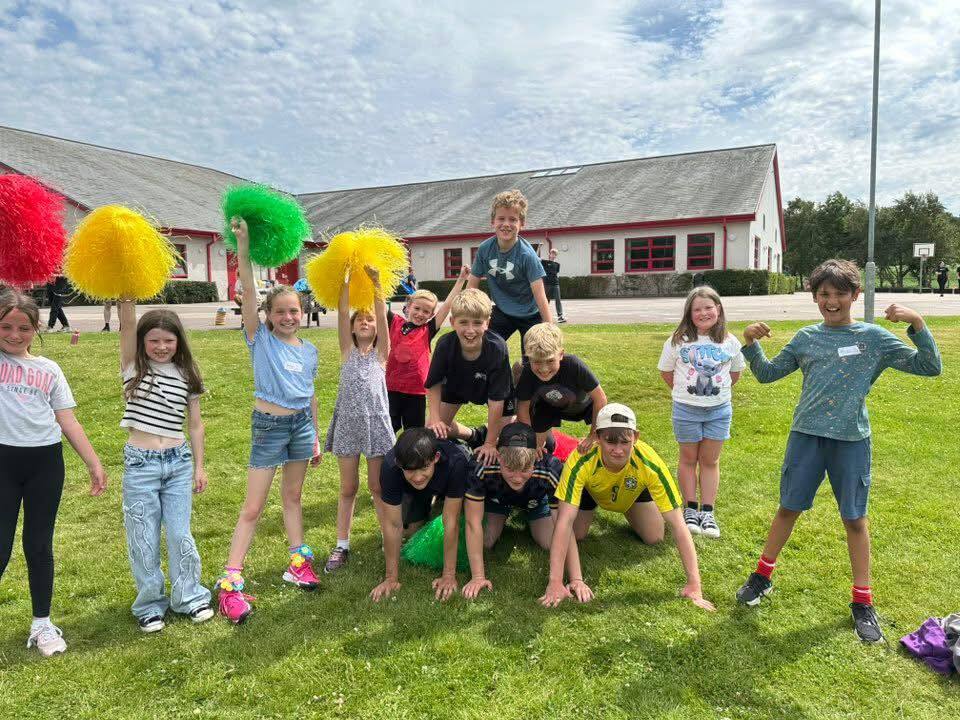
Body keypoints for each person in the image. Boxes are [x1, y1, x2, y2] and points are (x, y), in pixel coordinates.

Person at [735, 259, 941, 645]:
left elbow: (929, 367)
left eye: (839, 294)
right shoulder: (805, 338)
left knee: (855, 520)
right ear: (815, 297)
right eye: (824, 294)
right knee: (787, 509)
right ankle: (762, 577)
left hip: (851, 441)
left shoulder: (873, 338)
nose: (831, 301)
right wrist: (750, 342)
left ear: (855, 296)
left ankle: (862, 601)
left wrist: (917, 323)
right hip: (806, 438)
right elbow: (766, 374)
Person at [217, 218, 321, 624]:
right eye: (280, 312)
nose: (288, 317)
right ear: (268, 315)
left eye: (293, 311)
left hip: (300, 428)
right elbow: (246, 288)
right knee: (253, 507)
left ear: (302, 311)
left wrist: (313, 437)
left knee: (292, 499)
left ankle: (297, 564)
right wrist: (243, 248)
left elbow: (310, 393)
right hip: (269, 427)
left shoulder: (310, 350)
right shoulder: (258, 338)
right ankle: (230, 583)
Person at [0, 286, 107, 656]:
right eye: (6, 327)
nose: (14, 335)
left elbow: (68, 420)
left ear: (36, 328)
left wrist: (93, 462)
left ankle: (42, 625)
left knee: (39, 544)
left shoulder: (49, 369)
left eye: (24, 328)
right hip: (3, 464)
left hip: (45, 464)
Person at [540, 403, 714, 611]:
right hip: (591, 489)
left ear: (636, 438)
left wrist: (694, 585)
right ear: (597, 437)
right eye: (610, 442)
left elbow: (678, 524)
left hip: (632, 492)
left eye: (625, 442)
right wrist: (556, 583)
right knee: (575, 534)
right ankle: (592, 506)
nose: (618, 449)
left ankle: (627, 508)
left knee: (655, 536)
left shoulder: (650, 463)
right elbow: (564, 522)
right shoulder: (581, 459)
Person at [115, 300, 213, 632]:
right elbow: (126, 325)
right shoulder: (133, 367)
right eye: (153, 340)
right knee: (142, 536)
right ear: (142, 342)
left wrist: (200, 466)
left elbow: (196, 425)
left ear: (178, 342)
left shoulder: (188, 373)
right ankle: (149, 603)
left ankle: (189, 596)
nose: (161, 347)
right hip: (140, 464)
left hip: (178, 463)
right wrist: (125, 297)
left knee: (179, 532)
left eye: (168, 341)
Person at [322, 267, 394, 574]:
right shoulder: (346, 351)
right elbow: (341, 313)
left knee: (377, 487)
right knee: (348, 487)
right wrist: (346, 283)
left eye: (370, 320)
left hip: (376, 425)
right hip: (349, 425)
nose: (365, 322)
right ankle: (342, 544)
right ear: (352, 328)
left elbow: (382, 314)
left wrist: (377, 285)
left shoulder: (381, 354)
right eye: (359, 320)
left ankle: (386, 537)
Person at [657, 287, 744, 539]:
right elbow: (666, 372)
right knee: (687, 458)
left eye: (709, 307)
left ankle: (708, 511)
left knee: (710, 460)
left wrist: (716, 392)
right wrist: (685, 392)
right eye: (697, 309)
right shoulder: (678, 341)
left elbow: (735, 373)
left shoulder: (729, 341)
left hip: (719, 410)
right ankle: (690, 508)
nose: (704, 313)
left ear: (718, 309)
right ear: (689, 313)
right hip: (686, 409)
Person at [462, 422, 585, 599]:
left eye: (525, 469)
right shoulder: (482, 466)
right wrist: (478, 577)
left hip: (536, 501)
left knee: (551, 543)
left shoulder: (551, 468)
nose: (518, 478)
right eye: (510, 469)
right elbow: (472, 523)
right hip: (498, 500)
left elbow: (564, 525)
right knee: (485, 541)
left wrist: (576, 579)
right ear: (499, 457)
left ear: (536, 458)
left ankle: (530, 517)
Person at [369, 428, 469, 602]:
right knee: (410, 533)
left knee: (457, 518)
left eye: (423, 468)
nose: (417, 477)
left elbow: (450, 522)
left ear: (436, 458)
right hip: (414, 491)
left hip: (451, 479)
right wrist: (390, 578)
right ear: (400, 465)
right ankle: (427, 502)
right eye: (410, 470)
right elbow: (393, 525)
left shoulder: (455, 462)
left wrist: (448, 575)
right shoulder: (390, 467)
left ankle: (438, 501)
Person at [424, 289, 516, 466]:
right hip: (458, 385)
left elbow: (496, 402)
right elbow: (433, 384)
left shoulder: (497, 348)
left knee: (506, 440)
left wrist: (490, 444)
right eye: (463, 322)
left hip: (493, 391)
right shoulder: (445, 345)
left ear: (487, 323)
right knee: (431, 430)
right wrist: (435, 419)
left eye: (477, 323)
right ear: (452, 322)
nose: (470, 330)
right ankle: (473, 435)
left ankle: (489, 437)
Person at [386, 266, 469, 433]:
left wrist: (461, 280)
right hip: (391, 389)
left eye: (426, 311)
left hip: (416, 393)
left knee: (414, 432)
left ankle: (410, 459)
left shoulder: (427, 330)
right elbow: (378, 303)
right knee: (387, 431)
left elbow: (447, 306)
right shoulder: (393, 322)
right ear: (408, 306)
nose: (420, 314)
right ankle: (389, 459)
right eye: (417, 308)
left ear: (431, 315)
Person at [468, 189, 552, 349]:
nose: (506, 224)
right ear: (492, 221)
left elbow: (540, 295)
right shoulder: (485, 249)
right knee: (486, 347)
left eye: (513, 219)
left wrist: (550, 328)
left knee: (533, 356)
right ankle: (494, 374)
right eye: (501, 218)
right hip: (502, 310)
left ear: (522, 224)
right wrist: (467, 316)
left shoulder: (527, 255)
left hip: (530, 313)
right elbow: (471, 287)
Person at [515, 322, 606, 455]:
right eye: (537, 361)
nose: (544, 369)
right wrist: (531, 441)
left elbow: (600, 398)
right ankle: (548, 443)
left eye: (550, 360)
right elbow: (523, 407)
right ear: (528, 357)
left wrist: (593, 435)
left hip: (583, 406)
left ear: (561, 354)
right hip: (549, 408)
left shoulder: (574, 365)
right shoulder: (527, 372)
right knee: (531, 450)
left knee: (610, 418)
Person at [540, 247, 566, 323]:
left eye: (555, 254)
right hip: (547, 284)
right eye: (552, 253)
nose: (553, 255)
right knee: (545, 300)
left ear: (556, 255)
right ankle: (543, 317)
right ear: (550, 254)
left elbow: (555, 273)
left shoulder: (557, 264)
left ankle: (560, 316)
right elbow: (536, 259)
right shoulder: (544, 262)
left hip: (555, 284)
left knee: (558, 299)